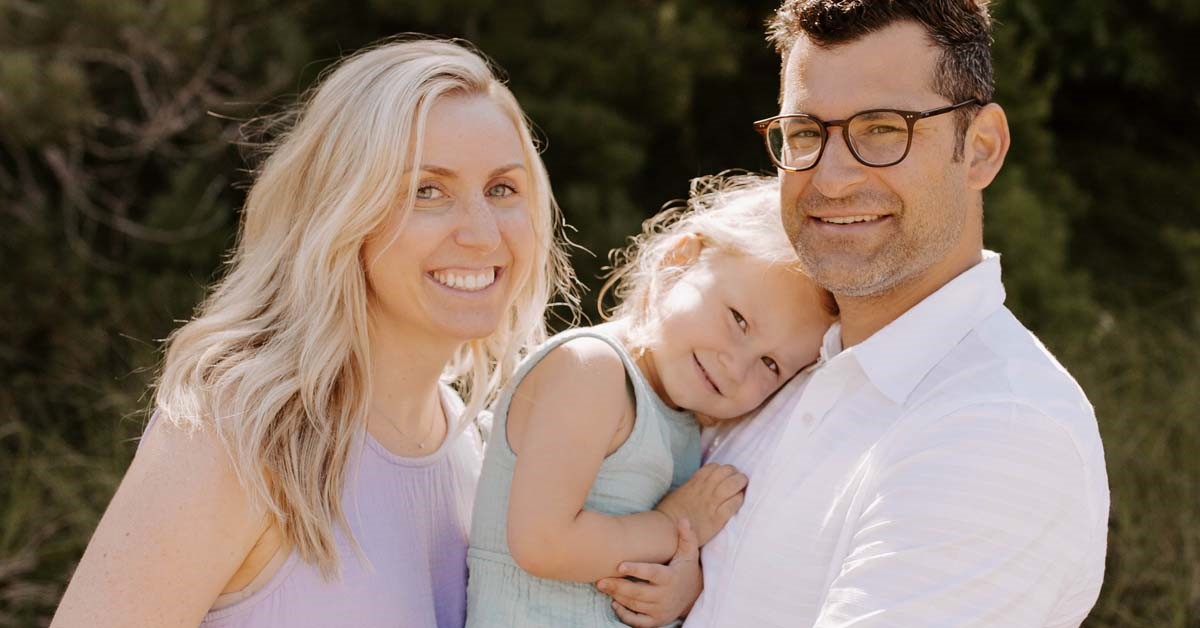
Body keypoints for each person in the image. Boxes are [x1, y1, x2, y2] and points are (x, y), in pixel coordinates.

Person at [601, 2, 1110, 627]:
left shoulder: (1002, 426)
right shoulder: (775, 371)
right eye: (807, 133)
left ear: (980, 149)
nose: (833, 178)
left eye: (882, 129)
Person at [50, 38, 576, 628]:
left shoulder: (479, 449)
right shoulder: (240, 437)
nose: (482, 234)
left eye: (502, 189)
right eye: (427, 190)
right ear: (342, 211)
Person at [464, 174, 838, 627]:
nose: (736, 366)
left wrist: (682, 589)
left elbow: (628, 560)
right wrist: (677, 525)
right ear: (679, 262)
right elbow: (542, 543)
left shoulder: (682, 422)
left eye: (771, 365)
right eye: (738, 321)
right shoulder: (593, 370)